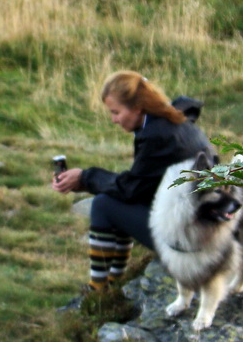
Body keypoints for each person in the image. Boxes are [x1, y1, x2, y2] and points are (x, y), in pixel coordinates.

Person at [52, 71, 214, 294]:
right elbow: (142, 184)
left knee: (103, 205)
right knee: (113, 200)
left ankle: (99, 289)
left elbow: (130, 190)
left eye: (116, 112)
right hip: (203, 229)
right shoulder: (174, 121)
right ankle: (115, 280)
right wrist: (85, 181)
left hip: (192, 245)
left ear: (137, 107)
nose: (114, 119)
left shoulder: (158, 135)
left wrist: (85, 178)